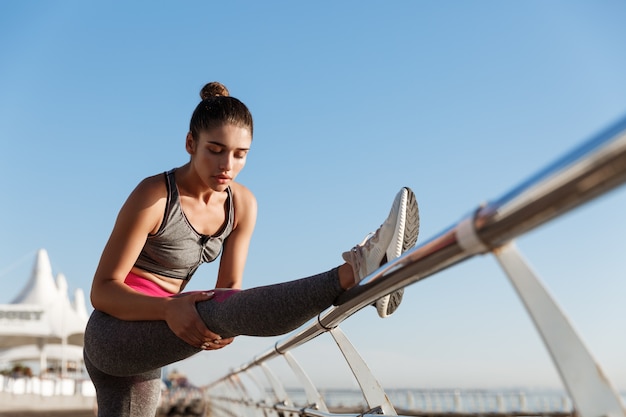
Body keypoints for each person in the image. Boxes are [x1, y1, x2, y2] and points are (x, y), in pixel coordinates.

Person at [83, 81, 419, 417]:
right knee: (215, 310)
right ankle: (358, 270)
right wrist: (171, 309)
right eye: (215, 150)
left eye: (240, 154)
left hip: (162, 332)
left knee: (221, 308)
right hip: (114, 331)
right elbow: (102, 291)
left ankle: (366, 273)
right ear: (190, 143)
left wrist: (228, 320)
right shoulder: (155, 195)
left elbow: (228, 289)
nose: (227, 164)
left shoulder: (241, 204)